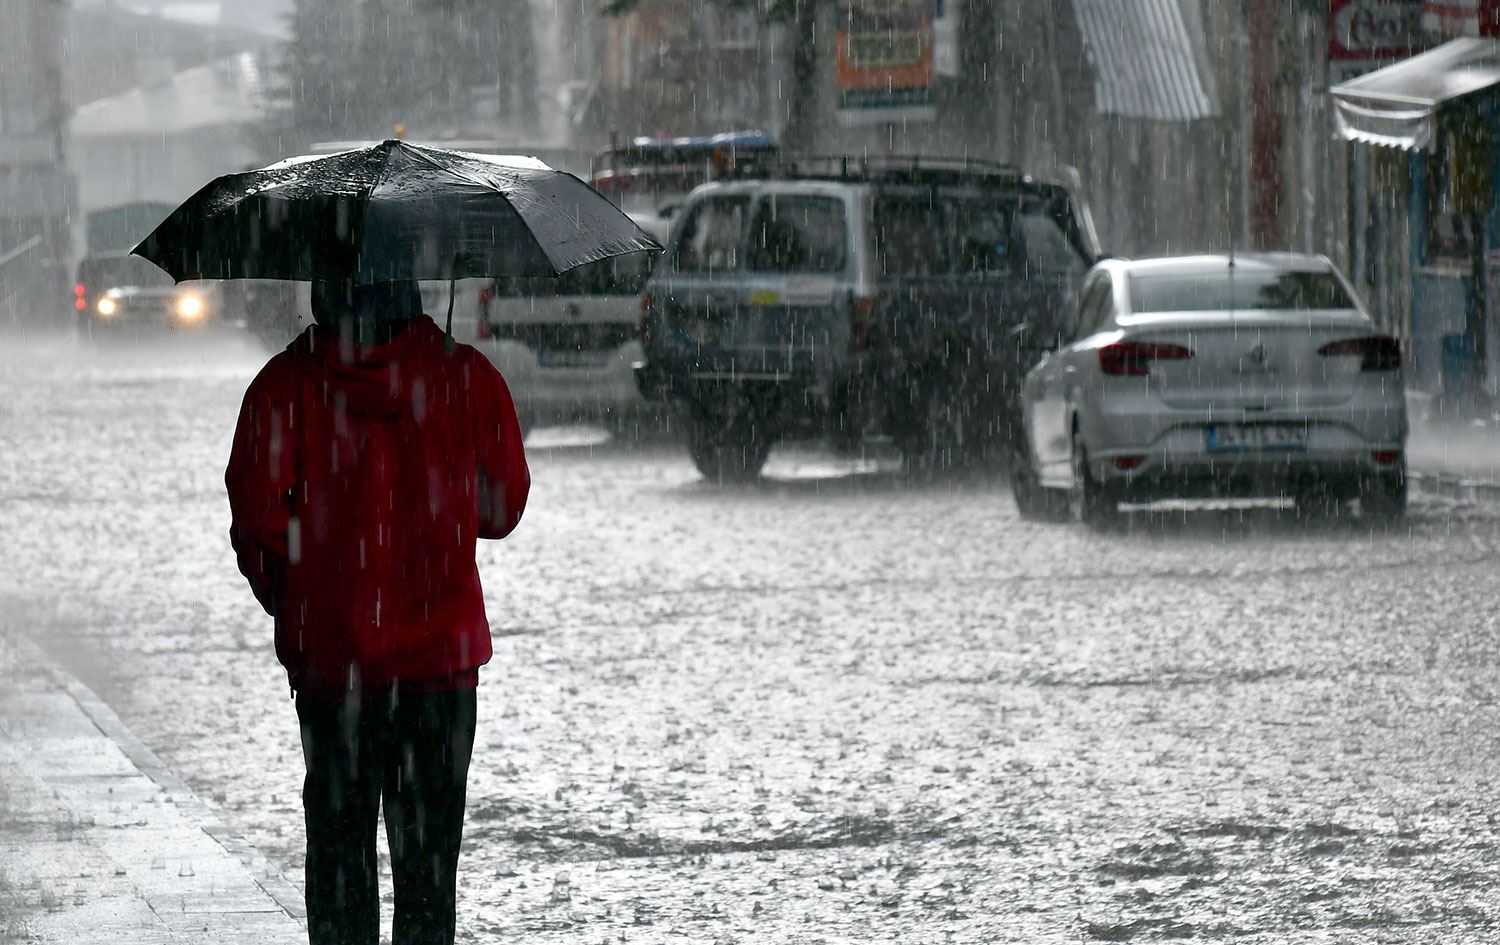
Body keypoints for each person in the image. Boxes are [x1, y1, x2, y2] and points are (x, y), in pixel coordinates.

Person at [225, 278, 530, 945]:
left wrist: (306, 598)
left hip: (337, 674)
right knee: (427, 875)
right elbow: (501, 506)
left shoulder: (284, 387)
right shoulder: (466, 378)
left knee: (339, 865)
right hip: (439, 672)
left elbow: (256, 519)